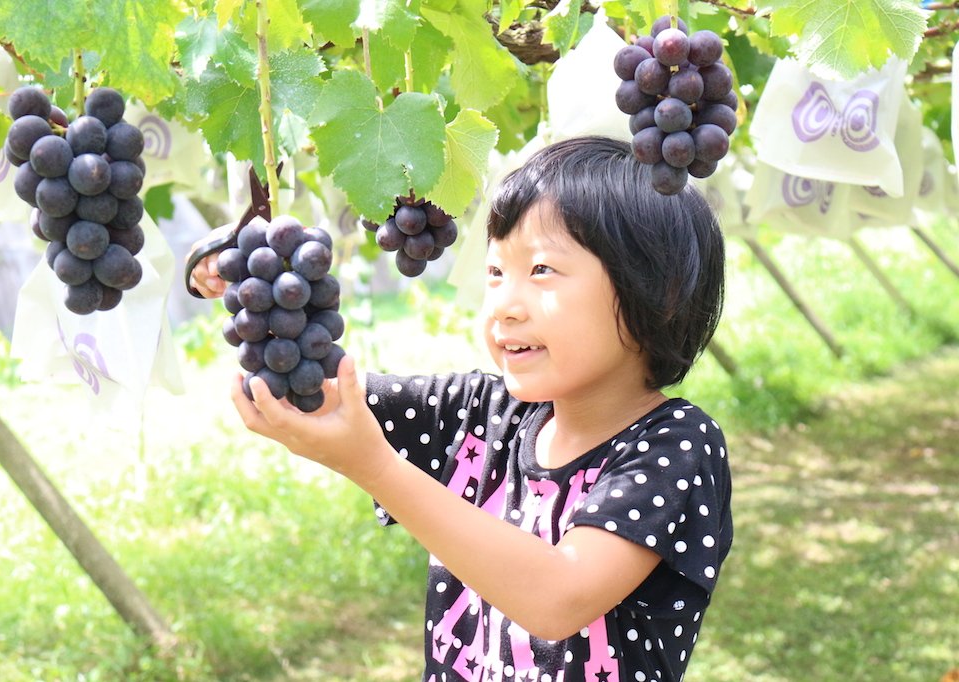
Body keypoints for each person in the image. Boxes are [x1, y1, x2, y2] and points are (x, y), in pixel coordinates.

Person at [189, 135, 732, 682]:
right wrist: (254, 277)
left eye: (541, 270)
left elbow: (558, 598)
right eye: (495, 272)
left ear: (652, 292)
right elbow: (323, 391)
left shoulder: (675, 446)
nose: (503, 306)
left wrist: (375, 468)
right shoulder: (480, 412)